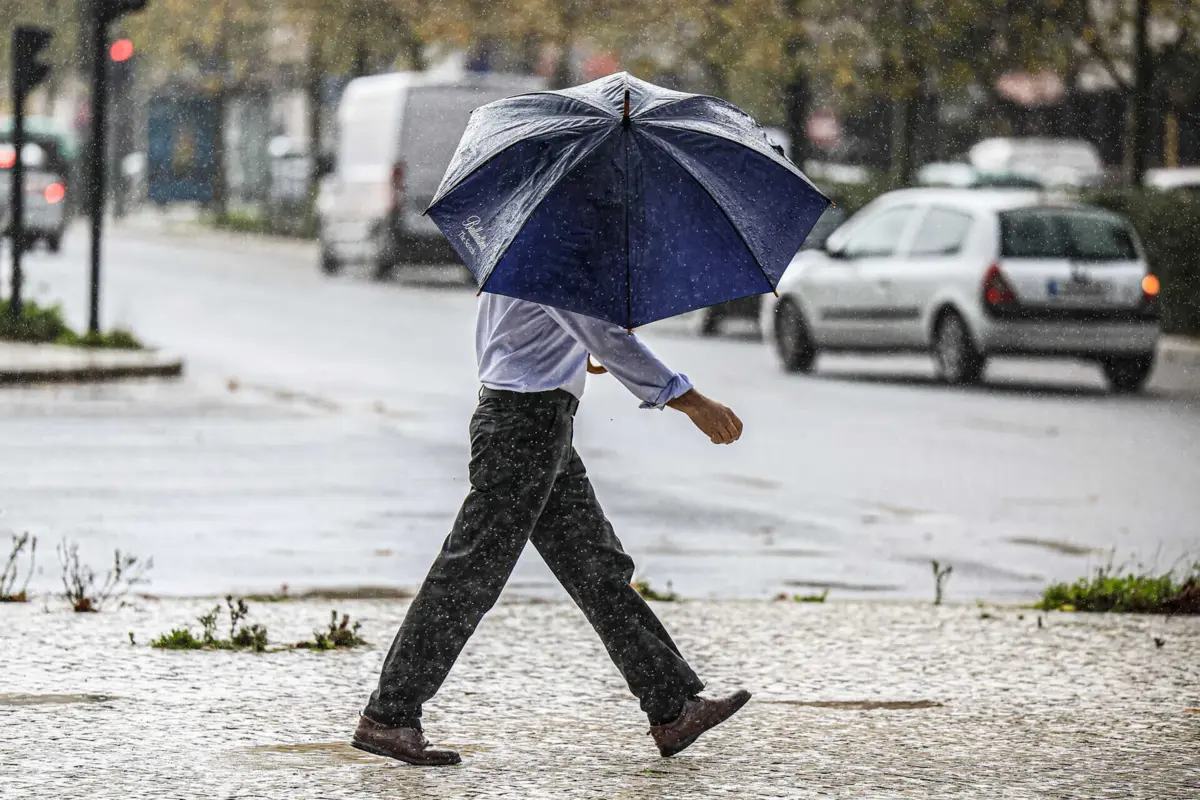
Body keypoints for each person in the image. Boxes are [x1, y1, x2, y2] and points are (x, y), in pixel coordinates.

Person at [352, 293, 750, 766]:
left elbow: (540, 335)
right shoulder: (560, 252)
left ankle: (672, 706)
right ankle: (390, 715)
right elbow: (602, 334)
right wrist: (690, 400)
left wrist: (574, 349)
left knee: (597, 568)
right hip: (523, 428)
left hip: (538, 425)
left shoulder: (538, 248)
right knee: (469, 575)